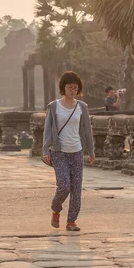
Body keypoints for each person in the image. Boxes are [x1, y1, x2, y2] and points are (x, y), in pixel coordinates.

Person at [42, 71, 95, 232]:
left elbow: (87, 130)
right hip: (59, 152)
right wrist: (45, 149)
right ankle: (56, 208)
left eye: (75, 87)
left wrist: (91, 151)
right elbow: (47, 130)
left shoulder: (82, 107)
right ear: (63, 88)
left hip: (77, 151)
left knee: (76, 188)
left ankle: (71, 221)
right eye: (70, 87)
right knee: (64, 186)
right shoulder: (54, 106)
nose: (73, 90)